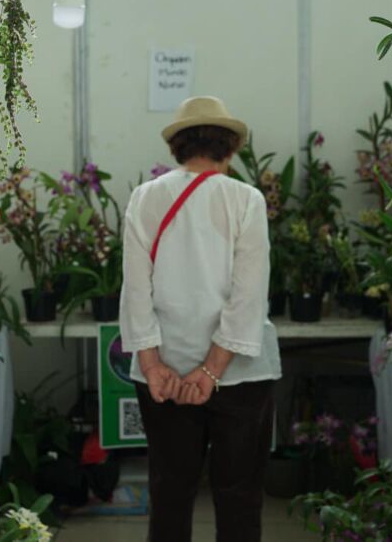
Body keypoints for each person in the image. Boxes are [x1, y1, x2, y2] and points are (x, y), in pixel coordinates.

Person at [120, 96, 282, 542]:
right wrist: (212, 370)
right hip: (241, 375)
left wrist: (152, 365)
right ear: (230, 149)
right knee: (239, 495)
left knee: (170, 492)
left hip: (165, 377)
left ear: (177, 147)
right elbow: (249, 294)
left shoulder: (145, 198)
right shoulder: (245, 200)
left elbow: (136, 288)